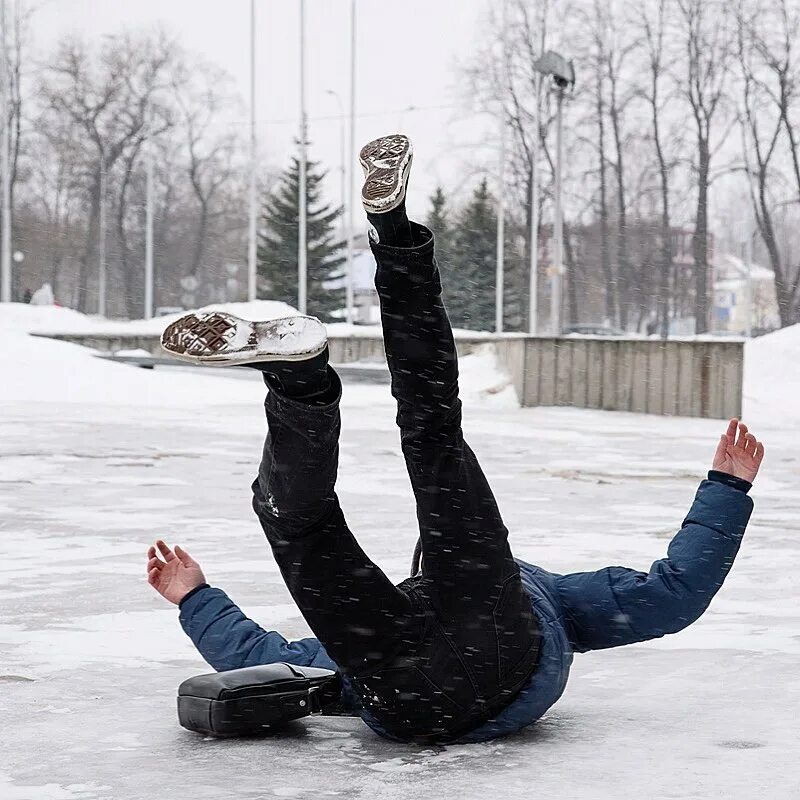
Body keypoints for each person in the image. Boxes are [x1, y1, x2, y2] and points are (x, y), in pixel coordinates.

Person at [150, 134, 764, 744]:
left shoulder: (486, 593)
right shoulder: (551, 596)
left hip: (403, 687)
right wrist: (727, 489)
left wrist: (196, 598)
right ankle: (344, 311)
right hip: (476, 665)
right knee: (378, 467)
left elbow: (264, 655)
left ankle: (314, 366)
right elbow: (673, 593)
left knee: (368, 472)